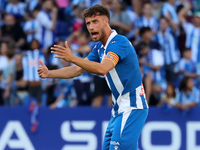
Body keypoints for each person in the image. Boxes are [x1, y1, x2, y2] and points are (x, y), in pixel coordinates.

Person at [38, 4, 148, 150]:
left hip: (132, 105)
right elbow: (78, 70)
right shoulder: (100, 48)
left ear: (106, 21)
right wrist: (49, 74)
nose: (90, 27)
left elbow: (103, 69)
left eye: (95, 22)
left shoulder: (118, 43)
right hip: (118, 109)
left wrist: (72, 57)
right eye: (88, 23)